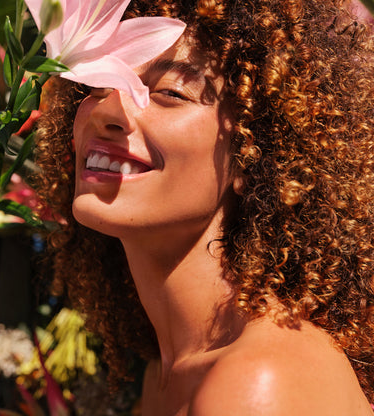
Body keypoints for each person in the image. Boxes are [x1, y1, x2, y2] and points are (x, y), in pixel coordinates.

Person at [35, 0, 374, 414]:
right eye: (99, 86)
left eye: (170, 94)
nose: (107, 110)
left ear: (256, 153)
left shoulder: (256, 383)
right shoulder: (165, 372)